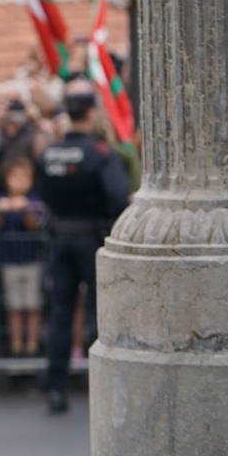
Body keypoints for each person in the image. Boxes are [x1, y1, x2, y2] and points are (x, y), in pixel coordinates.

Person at [38, 82, 131, 414]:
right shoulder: (100, 154)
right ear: (91, 112)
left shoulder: (50, 153)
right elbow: (118, 197)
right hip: (91, 238)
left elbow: (43, 194)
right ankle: (100, 388)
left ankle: (56, 388)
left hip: (59, 238)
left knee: (61, 314)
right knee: (98, 313)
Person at [0, 157, 46, 357]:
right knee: (14, 308)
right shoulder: (0, 200)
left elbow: (34, 226)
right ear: (6, 179)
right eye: (15, 177)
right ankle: (16, 346)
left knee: (33, 306)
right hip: (10, 262)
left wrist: (25, 208)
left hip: (32, 261)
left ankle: (32, 345)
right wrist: (1, 211)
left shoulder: (35, 201)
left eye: (24, 177)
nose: (19, 181)